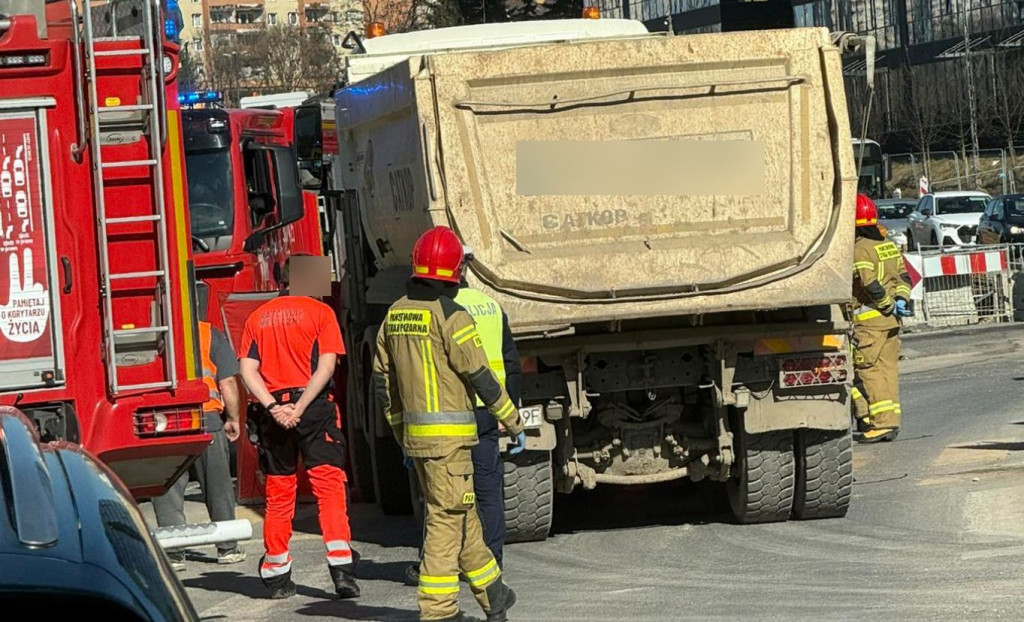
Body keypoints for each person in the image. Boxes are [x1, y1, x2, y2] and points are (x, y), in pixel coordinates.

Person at [374, 226, 524, 622]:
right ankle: (439, 612)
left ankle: (494, 595)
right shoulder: (452, 315)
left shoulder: (395, 314)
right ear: (455, 273)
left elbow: (382, 382)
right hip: (452, 443)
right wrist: (512, 419)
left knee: (463, 515)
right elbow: (480, 375)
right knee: (444, 522)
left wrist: (401, 434)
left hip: (420, 443)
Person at [238, 254, 359, 600]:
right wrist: (301, 406)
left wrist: (275, 408)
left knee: (279, 494)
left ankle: (277, 575)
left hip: (273, 413)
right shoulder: (322, 314)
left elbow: (248, 370)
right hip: (315, 409)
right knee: (329, 488)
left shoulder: (258, 317)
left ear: (283, 280)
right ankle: (342, 571)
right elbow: (326, 368)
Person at [406, 245, 524, 585]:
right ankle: (492, 563)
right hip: (488, 414)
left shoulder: (434, 309)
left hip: (444, 416)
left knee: (441, 495)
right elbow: (511, 367)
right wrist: (510, 417)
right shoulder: (491, 306)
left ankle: (439, 563)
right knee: (488, 490)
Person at [153, 307, 246, 569]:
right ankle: (228, 547)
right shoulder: (209, 334)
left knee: (168, 488)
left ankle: (174, 553)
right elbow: (227, 382)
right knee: (218, 486)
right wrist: (233, 418)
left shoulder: (155, 334)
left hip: (165, 421)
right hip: (207, 420)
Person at [851, 193, 912, 443]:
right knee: (888, 371)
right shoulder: (887, 244)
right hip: (891, 324)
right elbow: (904, 278)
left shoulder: (858, 249)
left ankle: (881, 423)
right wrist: (901, 301)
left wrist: (887, 305)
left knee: (869, 371)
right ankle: (883, 420)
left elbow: (870, 284)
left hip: (871, 324)